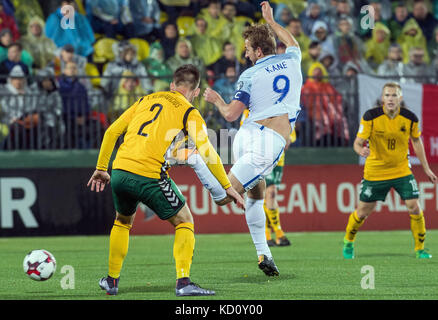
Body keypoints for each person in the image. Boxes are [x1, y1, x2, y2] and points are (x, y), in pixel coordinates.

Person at [87, 64, 245, 296]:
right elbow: (208, 152)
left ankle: (111, 280)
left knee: (122, 221)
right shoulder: (189, 112)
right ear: (195, 91)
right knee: (184, 221)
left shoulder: (145, 100)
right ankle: (184, 283)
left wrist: (102, 168)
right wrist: (227, 186)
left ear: (172, 85)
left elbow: (112, 132)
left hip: (119, 170)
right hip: (148, 175)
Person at [202, 1, 302, 276]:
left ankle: (264, 255)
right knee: (223, 195)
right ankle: (188, 168)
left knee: (255, 193)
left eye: (247, 50)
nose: (245, 55)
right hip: (270, 140)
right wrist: (270, 22)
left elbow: (232, 115)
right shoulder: (293, 59)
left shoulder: (249, 74)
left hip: (246, 133)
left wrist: (217, 100)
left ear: (258, 51)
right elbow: (290, 40)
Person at [342, 82, 437, 260]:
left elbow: (416, 141)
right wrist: (360, 150)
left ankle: (420, 248)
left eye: (394, 95)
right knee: (362, 212)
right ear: (382, 98)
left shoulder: (410, 118)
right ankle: (348, 241)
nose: (390, 99)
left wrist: (426, 168)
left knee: (414, 206)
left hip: (401, 170)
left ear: (400, 98)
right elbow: (357, 143)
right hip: (375, 171)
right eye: (387, 95)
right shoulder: (371, 116)